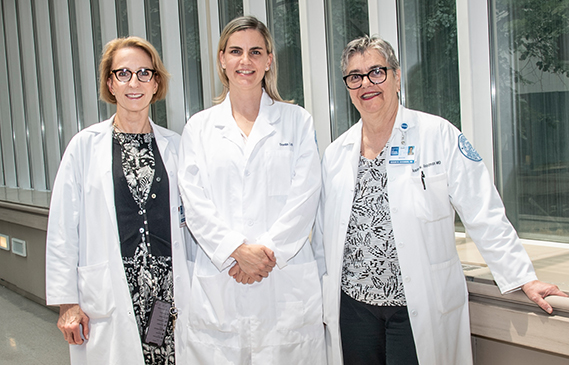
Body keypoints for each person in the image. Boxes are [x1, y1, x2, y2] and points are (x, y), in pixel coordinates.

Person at [312, 35, 568, 365]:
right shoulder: (336, 153)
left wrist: (523, 277)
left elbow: (483, 211)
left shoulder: (438, 135)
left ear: (396, 75)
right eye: (355, 77)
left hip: (416, 305)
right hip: (353, 310)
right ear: (348, 86)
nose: (366, 84)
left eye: (376, 72)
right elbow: (322, 238)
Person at [177, 15, 325, 364]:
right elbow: (194, 201)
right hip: (221, 278)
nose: (246, 61)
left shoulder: (297, 121)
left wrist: (264, 253)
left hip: (282, 278)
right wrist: (235, 250)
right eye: (236, 51)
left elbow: (306, 196)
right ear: (222, 59)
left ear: (269, 60)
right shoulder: (199, 128)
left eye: (256, 52)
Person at [45, 36, 194, 365]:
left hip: (167, 294)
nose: (134, 83)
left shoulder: (177, 145)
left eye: (144, 73)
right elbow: (62, 229)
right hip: (110, 291)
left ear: (156, 83)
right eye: (123, 74)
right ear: (110, 83)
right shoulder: (84, 147)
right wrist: (67, 302)